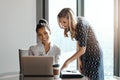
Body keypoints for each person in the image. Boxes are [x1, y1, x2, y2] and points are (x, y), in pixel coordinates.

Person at [57, 8, 104, 80]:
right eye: (61, 22)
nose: (62, 25)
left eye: (64, 22)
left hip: (94, 54)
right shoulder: (75, 23)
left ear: (70, 19)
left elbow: (82, 50)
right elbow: (79, 42)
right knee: (84, 77)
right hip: (86, 54)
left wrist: (67, 62)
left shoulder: (80, 25)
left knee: (90, 78)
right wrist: (79, 60)